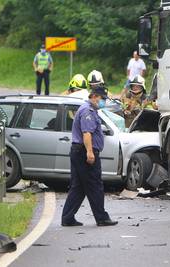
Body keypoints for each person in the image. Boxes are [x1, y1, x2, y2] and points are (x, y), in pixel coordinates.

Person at [61, 86, 118, 227]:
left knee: (78, 187)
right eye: (102, 98)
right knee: (95, 185)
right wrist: (90, 152)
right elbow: (87, 133)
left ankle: (67, 218)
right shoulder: (88, 111)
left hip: (78, 151)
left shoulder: (87, 109)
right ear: (94, 96)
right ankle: (102, 218)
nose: (103, 101)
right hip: (84, 153)